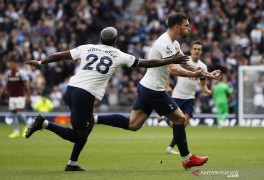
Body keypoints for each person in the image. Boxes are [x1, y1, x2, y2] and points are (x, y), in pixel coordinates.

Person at [25, 26, 190, 171]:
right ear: (116, 40)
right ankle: (44, 123)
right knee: (78, 135)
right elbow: (147, 63)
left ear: (100, 39)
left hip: (71, 89)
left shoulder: (87, 48)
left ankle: (72, 163)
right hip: (85, 94)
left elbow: (59, 55)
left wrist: (40, 62)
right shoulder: (118, 54)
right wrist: (170, 60)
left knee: (85, 127)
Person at [94, 13, 220, 169]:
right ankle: (187, 159)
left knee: (133, 124)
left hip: (146, 86)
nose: (189, 27)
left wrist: (207, 74)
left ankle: (94, 119)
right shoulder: (164, 43)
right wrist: (193, 74)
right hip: (154, 90)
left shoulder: (174, 44)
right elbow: (173, 68)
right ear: (177, 27)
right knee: (180, 119)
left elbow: (186, 63)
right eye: (186, 25)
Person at [157, 40, 221, 155]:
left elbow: (202, 87)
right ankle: (166, 117)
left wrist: (210, 92)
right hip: (177, 96)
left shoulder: (203, 66)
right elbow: (168, 70)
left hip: (190, 99)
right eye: (195, 49)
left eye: (199, 49)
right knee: (174, 125)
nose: (197, 51)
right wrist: (167, 85)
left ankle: (170, 147)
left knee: (183, 124)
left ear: (201, 52)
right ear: (191, 50)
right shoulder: (184, 61)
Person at [0, 56, 30, 138]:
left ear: (15, 64)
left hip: (20, 96)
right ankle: (16, 131)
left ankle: (27, 126)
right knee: (13, 113)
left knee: (18, 113)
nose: (9, 65)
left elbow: (26, 85)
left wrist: (28, 95)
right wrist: (0, 94)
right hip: (12, 97)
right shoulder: (8, 74)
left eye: (11, 63)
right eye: (8, 63)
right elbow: (6, 85)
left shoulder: (21, 73)